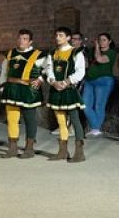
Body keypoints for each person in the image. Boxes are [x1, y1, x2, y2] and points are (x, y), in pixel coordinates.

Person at [0, 29, 48, 158]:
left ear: (30, 41)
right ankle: (13, 148)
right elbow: (4, 71)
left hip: (28, 91)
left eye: (25, 39)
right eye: (20, 38)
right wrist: (2, 86)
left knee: (29, 120)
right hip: (11, 90)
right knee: (12, 119)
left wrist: (40, 79)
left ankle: (29, 148)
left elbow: (49, 68)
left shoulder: (38, 54)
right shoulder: (10, 53)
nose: (22, 41)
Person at [46, 27, 87, 162]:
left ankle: (79, 152)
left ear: (68, 38)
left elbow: (80, 71)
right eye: (57, 35)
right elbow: (49, 69)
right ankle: (62, 151)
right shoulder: (53, 53)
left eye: (61, 35)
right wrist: (53, 82)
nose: (58, 37)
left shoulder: (76, 52)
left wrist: (66, 82)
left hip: (68, 90)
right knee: (61, 121)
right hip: (56, 89)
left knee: (75, 120)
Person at [82, 33, 117, 136]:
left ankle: (95, 129)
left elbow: (100, 59)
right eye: (99, 40)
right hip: (89, 80)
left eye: (104, 40)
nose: (101, 42)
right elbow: (86, 63)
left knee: (99, 106)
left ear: (109, 41)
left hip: (104, 82)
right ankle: (96, 128)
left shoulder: (111, 52)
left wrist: (96, 47)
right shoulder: (92, 51)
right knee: (85, 105)